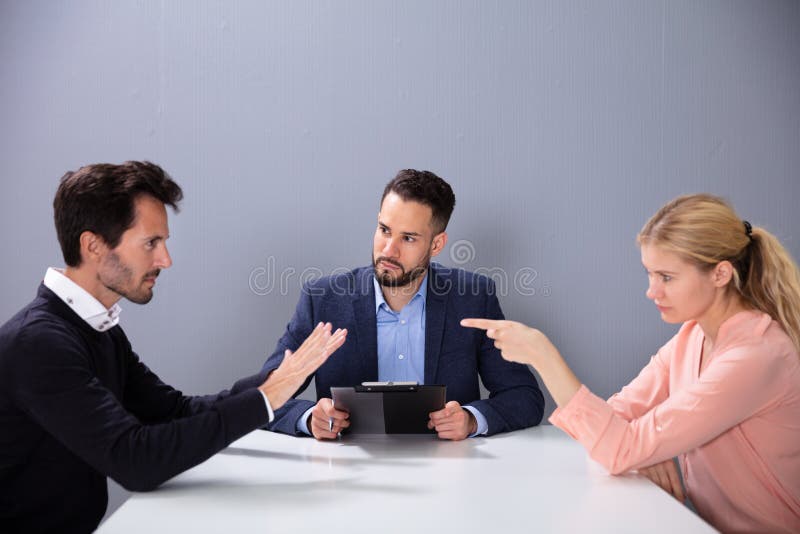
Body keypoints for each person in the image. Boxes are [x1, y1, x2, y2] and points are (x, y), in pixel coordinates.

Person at [0, 161, 347, 533]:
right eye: (151, 243)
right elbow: (137, 461)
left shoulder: (98, 331)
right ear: (93, 245)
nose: (165, 260)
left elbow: (173, 411)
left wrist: (275, 382)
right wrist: (265, 399)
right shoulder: (40, 343)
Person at [463, 193, 800, 533]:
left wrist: (544, 356)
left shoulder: (755, 356)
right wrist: (653, 449)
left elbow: (619, 446)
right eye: (650, 274)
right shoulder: (692, 337)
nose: (652, 292)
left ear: (720, 274)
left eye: (666, 277)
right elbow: (618, 415)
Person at [262, 169, 544, 440]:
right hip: (347, 474)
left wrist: (471, 420)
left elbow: (524, 397)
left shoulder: (472, 297)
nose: (388, 250)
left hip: (451, 473)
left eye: (408, 238)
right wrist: (310, 418)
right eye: (384, 230)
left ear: (436, 245)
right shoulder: (323, 300)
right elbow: (262, 397)